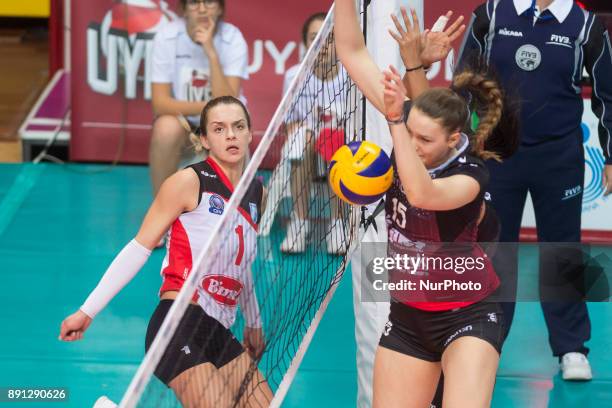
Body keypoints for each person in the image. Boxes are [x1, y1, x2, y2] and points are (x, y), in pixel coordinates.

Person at [335, 1, 521, 406]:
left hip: (468, 314)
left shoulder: (470, 176)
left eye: (425, 140)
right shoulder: (415, 126)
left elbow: (422, 194)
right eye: (412, 134)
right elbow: (351, 51)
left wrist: (397, 123)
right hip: (408, 318)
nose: (415, 146)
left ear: (454, 140)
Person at [59, 96, 273, 408]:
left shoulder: (257, 192)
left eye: (238, 127)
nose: (230, 135)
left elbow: (241, 264)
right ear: (204, 139)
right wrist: (87, 311)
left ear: (250, 134)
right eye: (219, 128)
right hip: (177, 322)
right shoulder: (188, 182)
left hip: (218, 330)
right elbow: (138, 249)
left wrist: (254, 322)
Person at [456, 0, 612, 380]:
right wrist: (457, 145)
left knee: (563, 250)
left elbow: (609, 96)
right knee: (495, 250)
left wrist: (610, 155)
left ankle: (571, 347)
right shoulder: (489, 15)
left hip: (559, 158)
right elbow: (462, 84)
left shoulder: (585, 26)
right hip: (497, 154)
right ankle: (486, 341)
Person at [149, 0, 248, 212]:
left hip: (223, 124)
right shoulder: (167, 37)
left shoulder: (233, 39)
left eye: (209, 2)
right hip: (185, 124)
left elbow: (228, 107)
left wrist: (210, 51)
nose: (202, 9)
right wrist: (208, 107)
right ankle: (162, 212)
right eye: (194, 3)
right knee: (165, 128)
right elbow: (160, 103)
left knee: (230, 126)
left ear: (220, 7)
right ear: (183, 9)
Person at [277, 12, 349, 255]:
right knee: (299, 142)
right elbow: (289, 124)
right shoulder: (294, 76)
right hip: (307, 142)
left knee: (336, 143)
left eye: (330, 39)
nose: (323, 46)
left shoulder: (350, 75)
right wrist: (304, 131)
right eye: (314, 38)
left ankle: (338, 223)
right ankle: (299, 222)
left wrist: (331, 133)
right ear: (305, 44)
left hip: (341, 143)